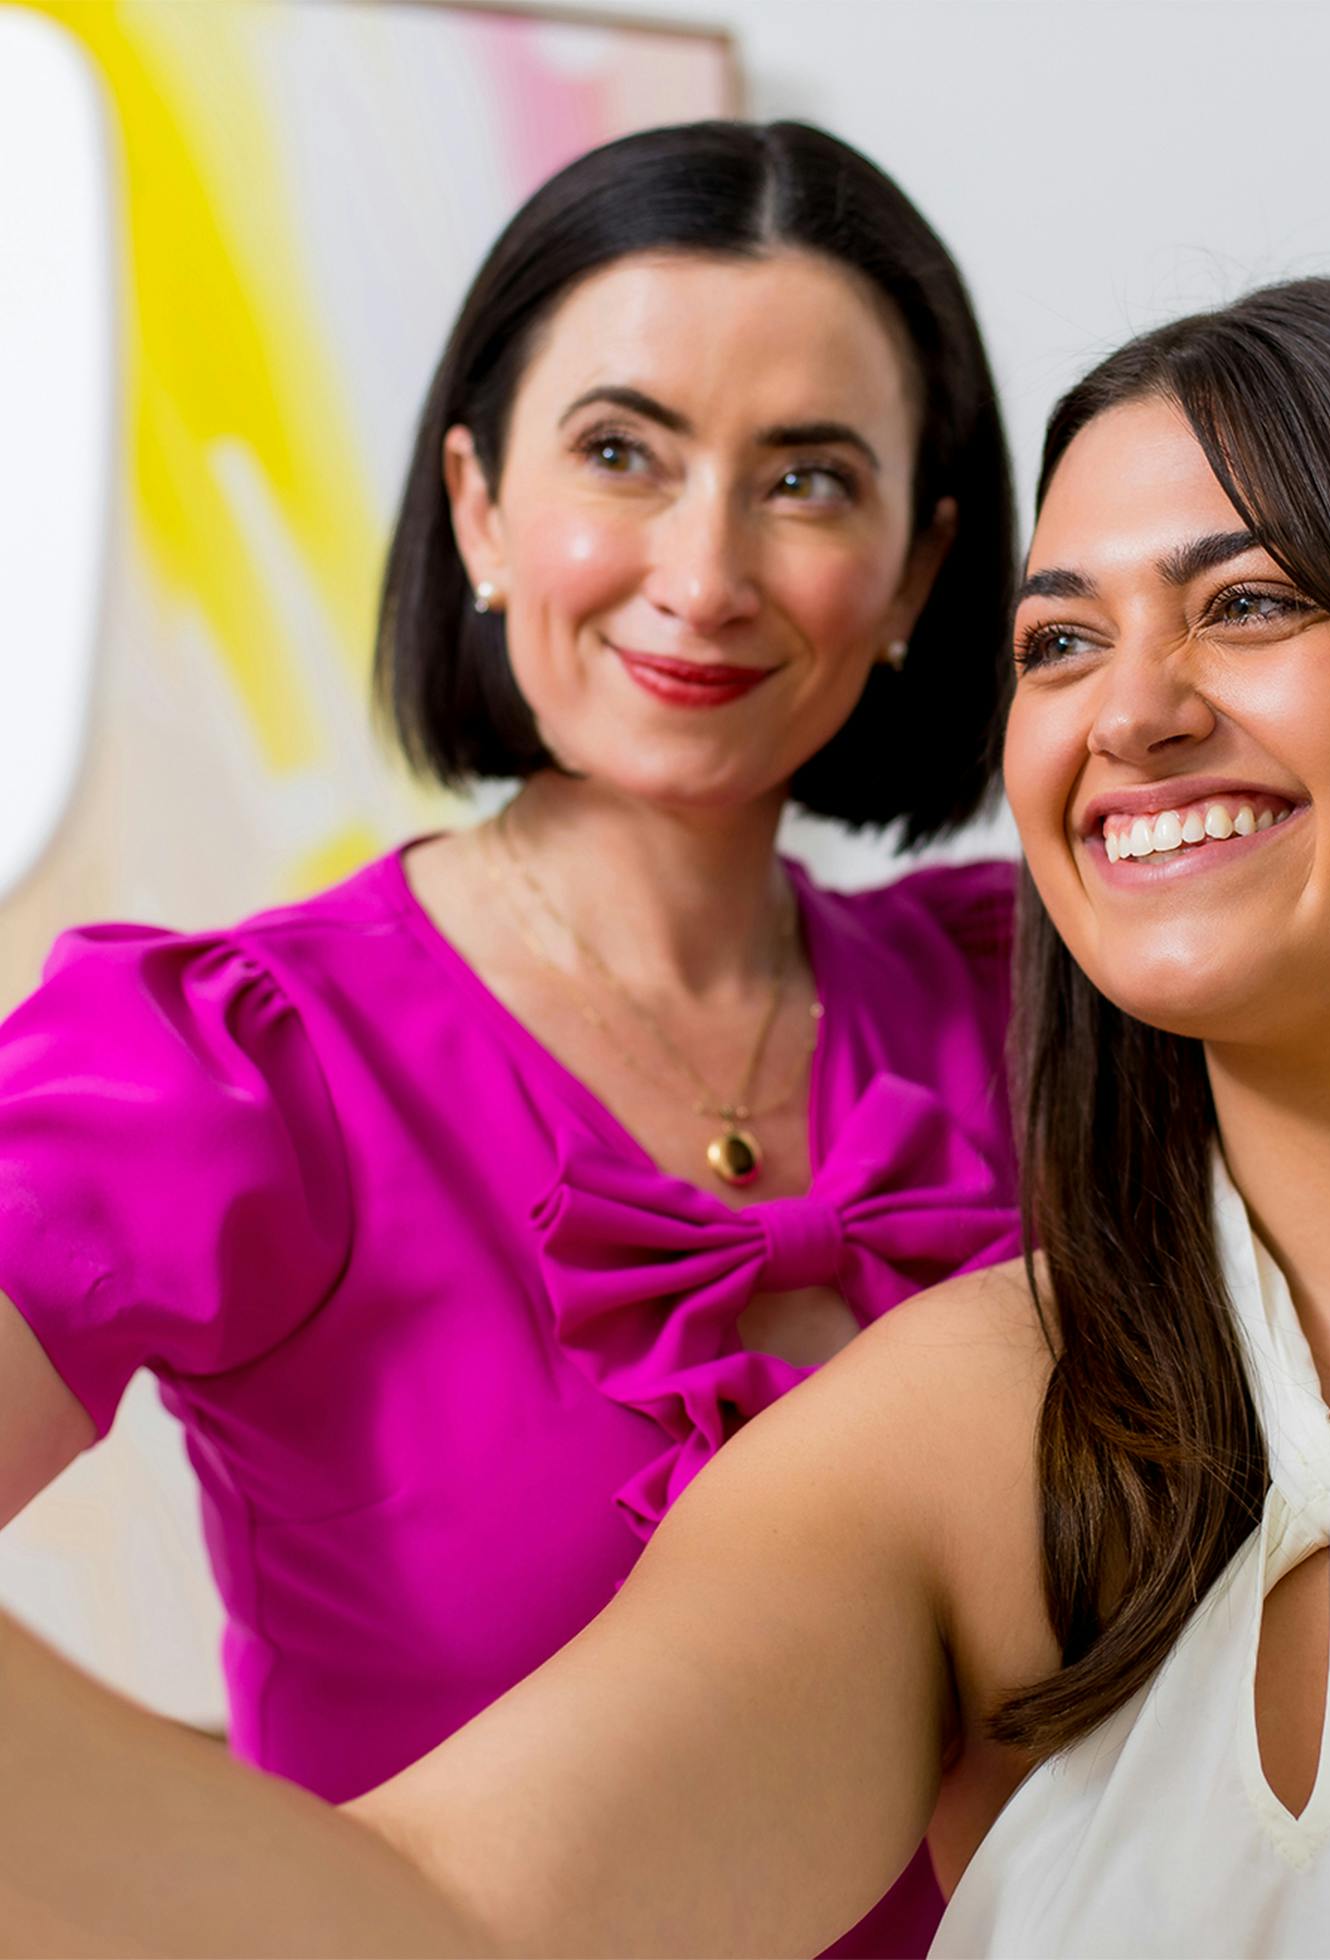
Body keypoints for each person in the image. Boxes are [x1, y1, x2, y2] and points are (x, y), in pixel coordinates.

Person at [5, 276, 1330, 1958]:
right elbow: (436, 1931)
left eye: (1248, 604)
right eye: (1062, 641)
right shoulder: (966, 1420)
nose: (1132, 715)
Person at [0, 120, 1022, 1957]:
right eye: (621, 452)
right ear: (476, 503)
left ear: (920, 568)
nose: (704, 572)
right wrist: (260, 1869)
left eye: (807, 480)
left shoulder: (1043, 1009)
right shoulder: (228, 1065)